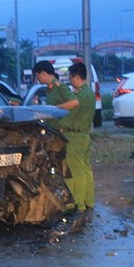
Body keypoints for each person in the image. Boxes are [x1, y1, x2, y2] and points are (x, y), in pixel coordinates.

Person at [47, 62, 95, 217]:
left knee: (75, 171)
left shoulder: (79, 97)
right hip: (85, 135)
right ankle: (89, 200)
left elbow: (67, 116)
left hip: (74, 136)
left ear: (76, 77)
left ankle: (77, 203)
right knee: (86, 169)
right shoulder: (89, 93)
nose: (70, 80)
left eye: (70, 77)